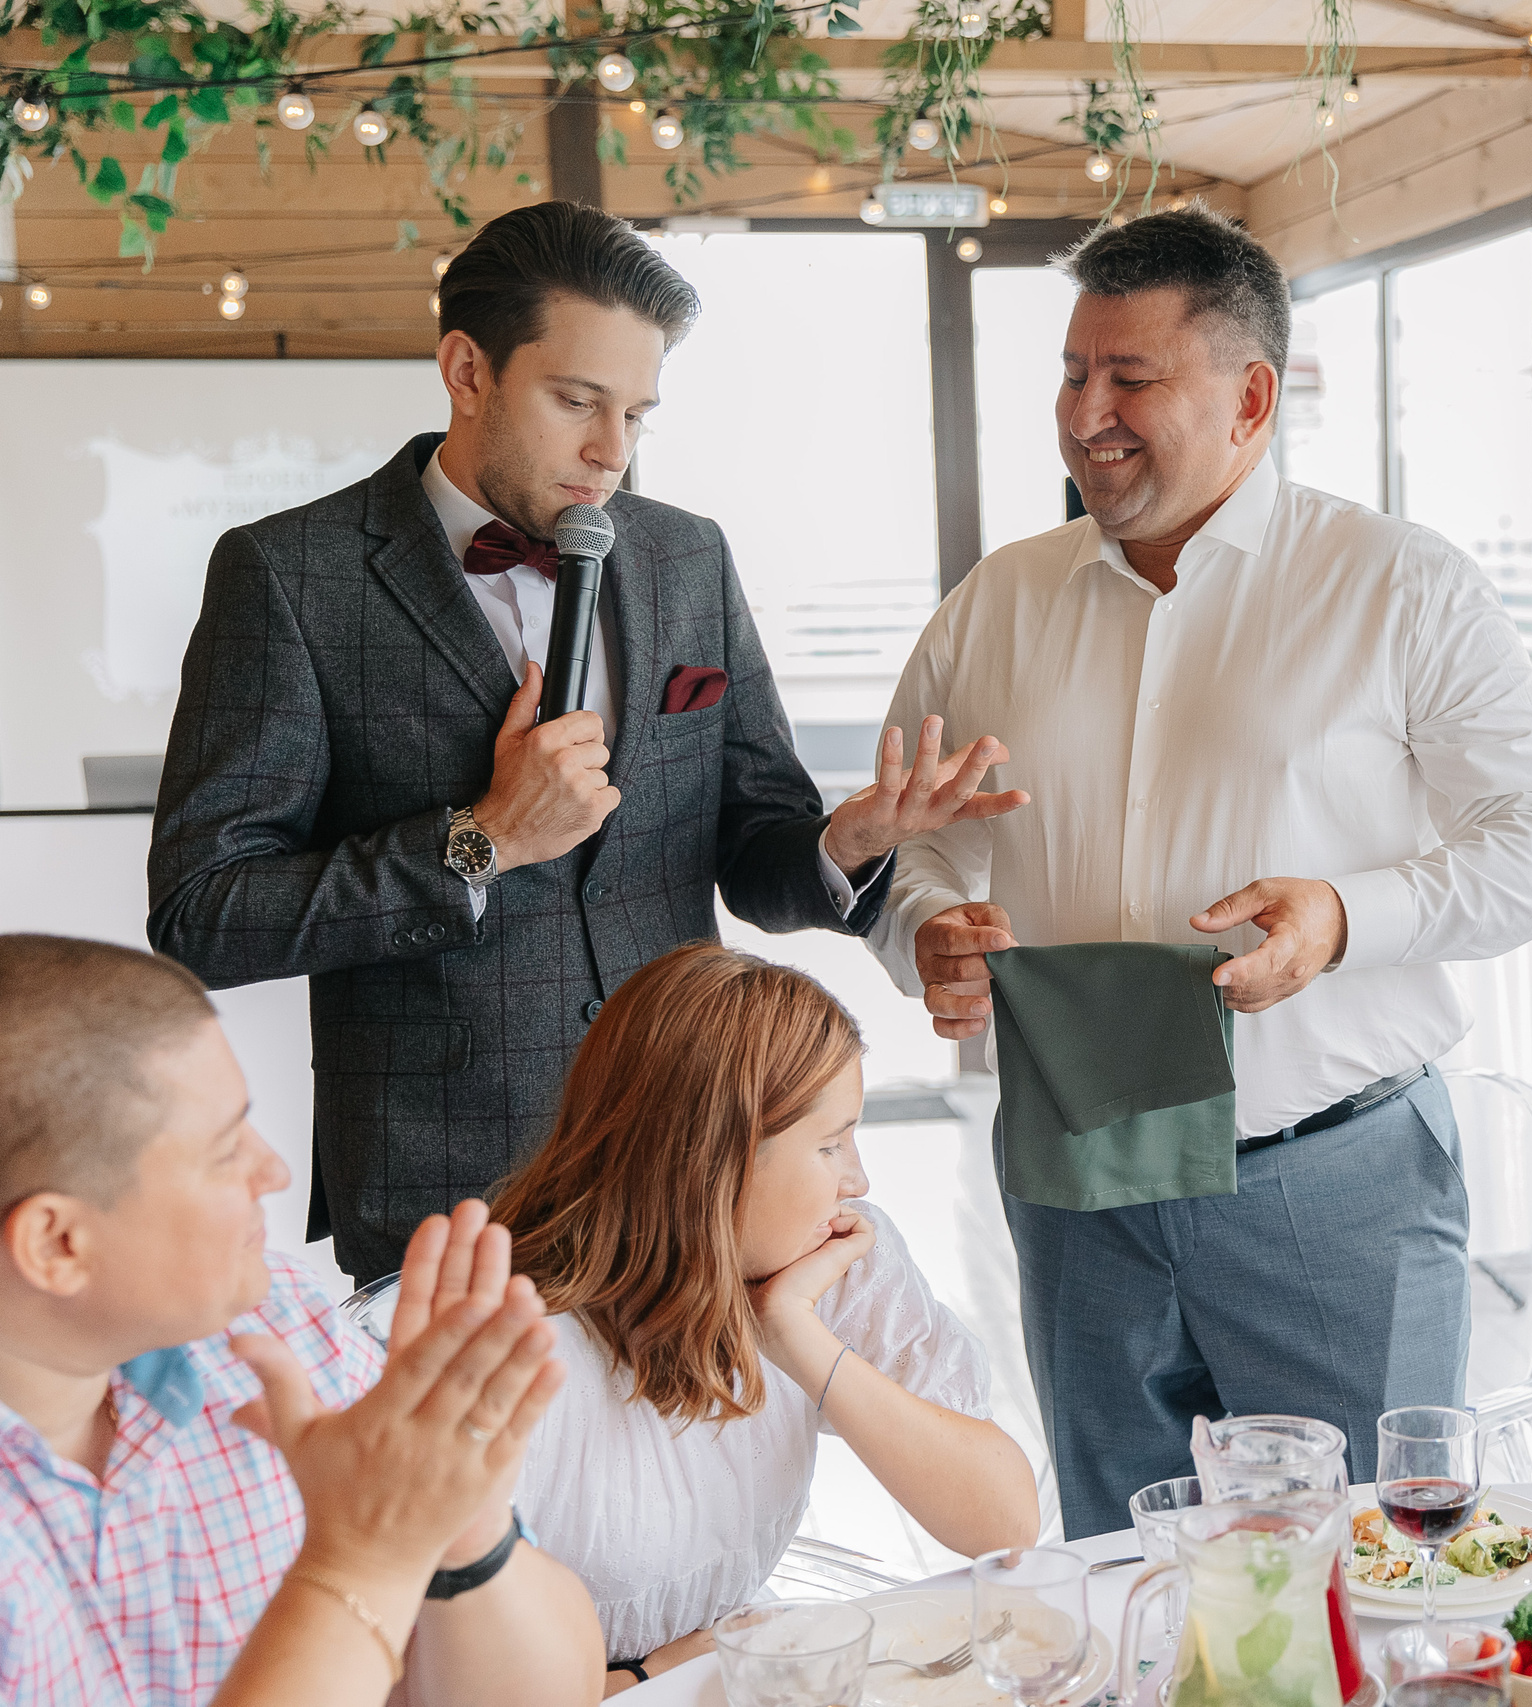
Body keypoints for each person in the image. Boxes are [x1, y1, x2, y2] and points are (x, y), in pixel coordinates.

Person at [869, 207, 1532, 1536]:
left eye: (1132, 378)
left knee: (1367, 1560)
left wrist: (1342, 917)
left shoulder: (1398, 585)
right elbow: (913, 838)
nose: (1086, 411)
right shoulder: (995, 600)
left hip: (1334, 1185)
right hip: (1077, 1168)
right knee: (1117, 1553)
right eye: (1073, 372)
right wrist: (926, 921)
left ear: (1250, 396)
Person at [147, 199, 1027, 1284]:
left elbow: (756, 846)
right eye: (576, 402)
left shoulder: (686, 558)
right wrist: (479, 840)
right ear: (467, 369)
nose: (612, 452)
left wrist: (841, 843)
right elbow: (204, 915)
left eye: (638, 414)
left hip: (699, 1163)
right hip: (455, 1201)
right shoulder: (290, 577)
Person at [0, 933, 602, 1704]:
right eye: (224, 1151)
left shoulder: (274, 1322)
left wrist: (461, 1525)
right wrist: (359, 1560)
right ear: (57, 1243)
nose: (276, 1170)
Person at [488, 941, 1037, 1688]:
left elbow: (1004, 1523)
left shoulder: (825, 1263)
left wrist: (798, 1336)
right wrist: (657, 1669)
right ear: (712, 1160)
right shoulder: (518, 1346)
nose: (858, 1176)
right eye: (831, 1144)